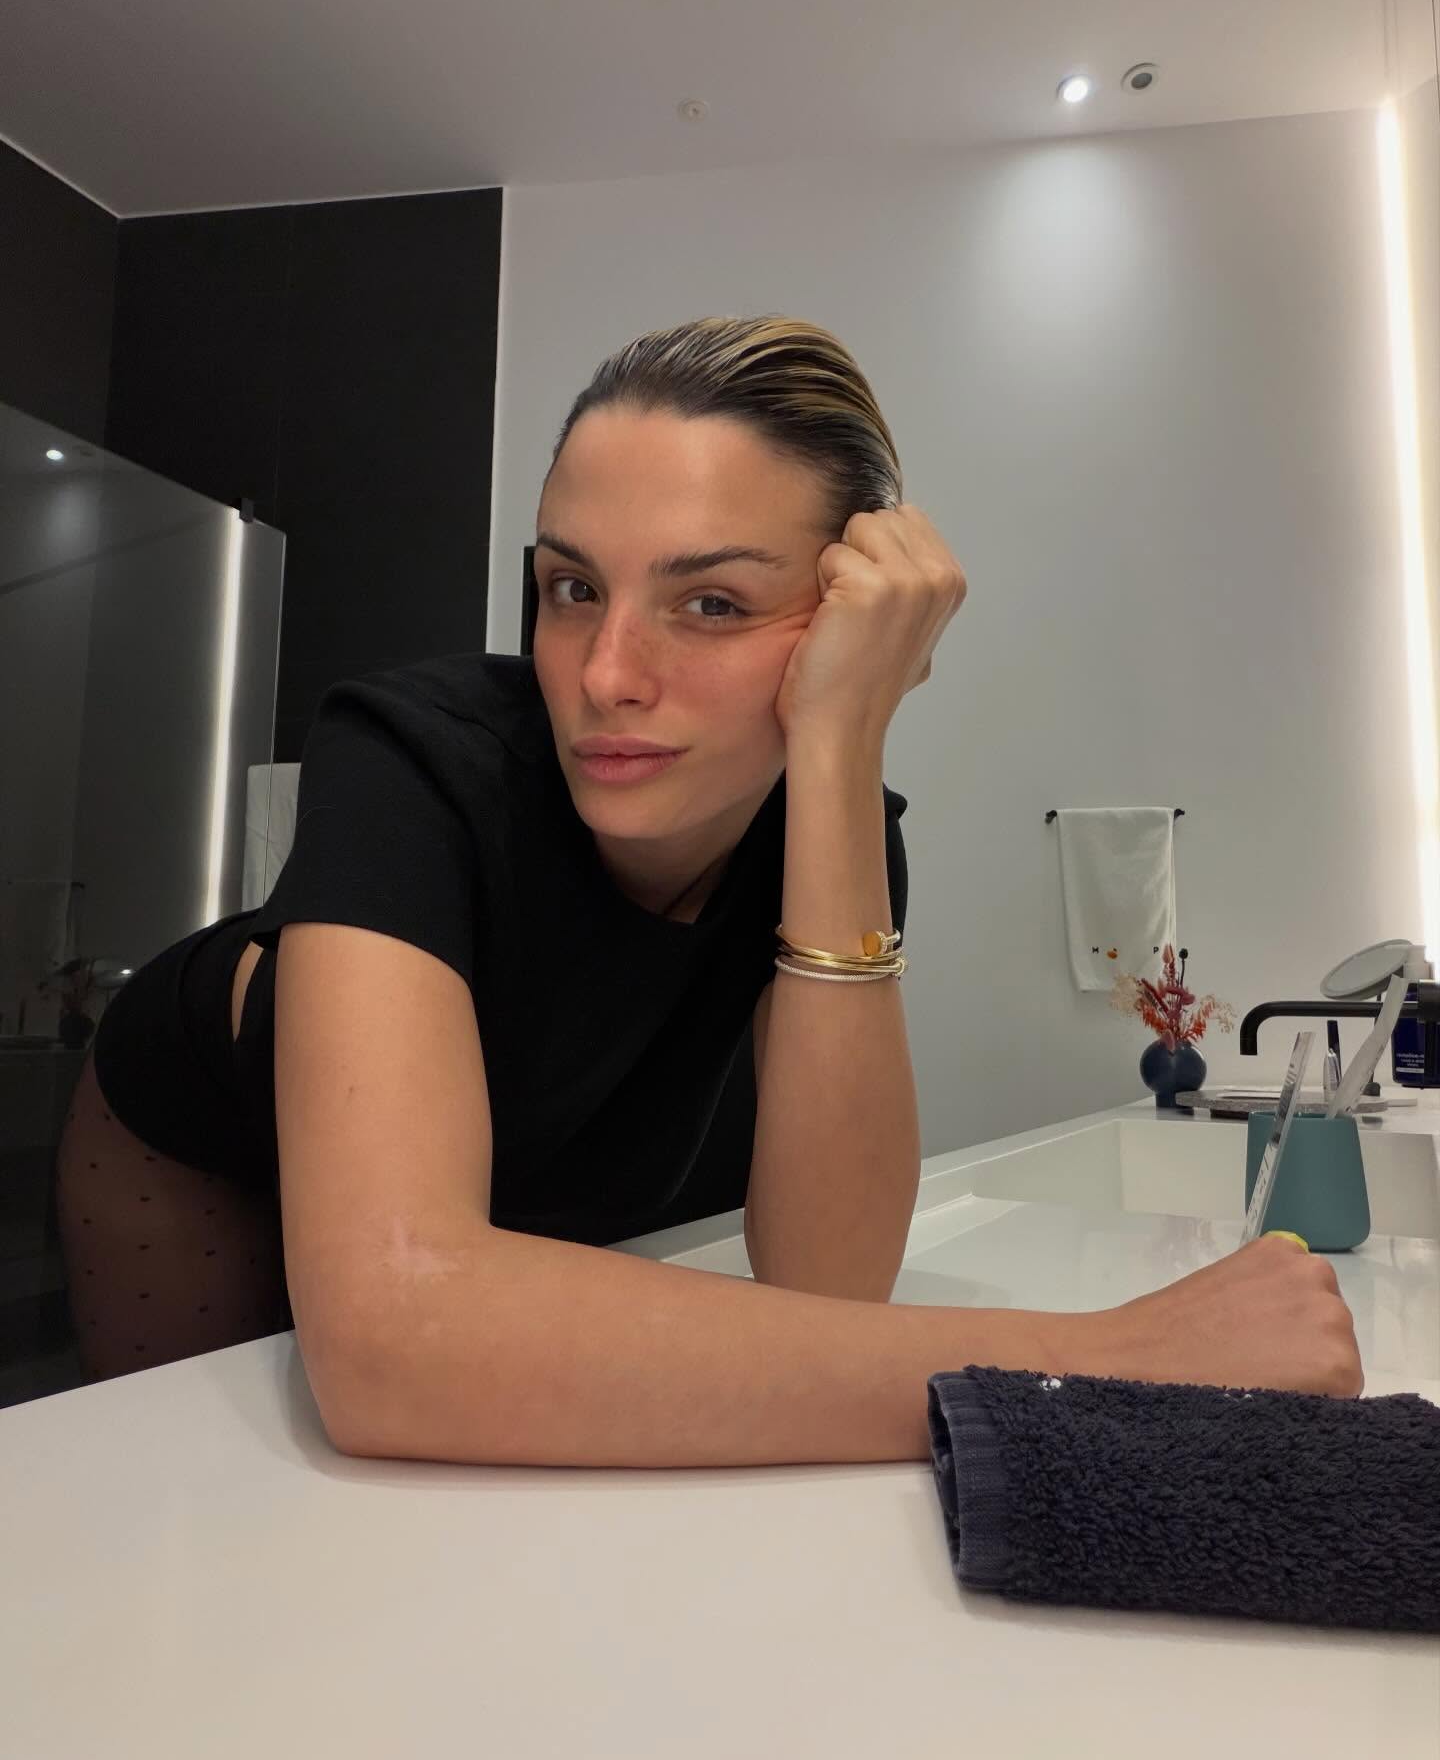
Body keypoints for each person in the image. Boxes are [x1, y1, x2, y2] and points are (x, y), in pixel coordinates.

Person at [57, 313, 1362, 1456]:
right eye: (572, 588)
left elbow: (826, 1289)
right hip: (198, 1155)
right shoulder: (412, 761)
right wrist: (1109, 1356)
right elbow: (397, 1340)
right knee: (202, 1524)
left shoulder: (836, 834)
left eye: (714, 605)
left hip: (490, 1217)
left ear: (850, 619)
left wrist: (840, 747)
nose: (605, 674)